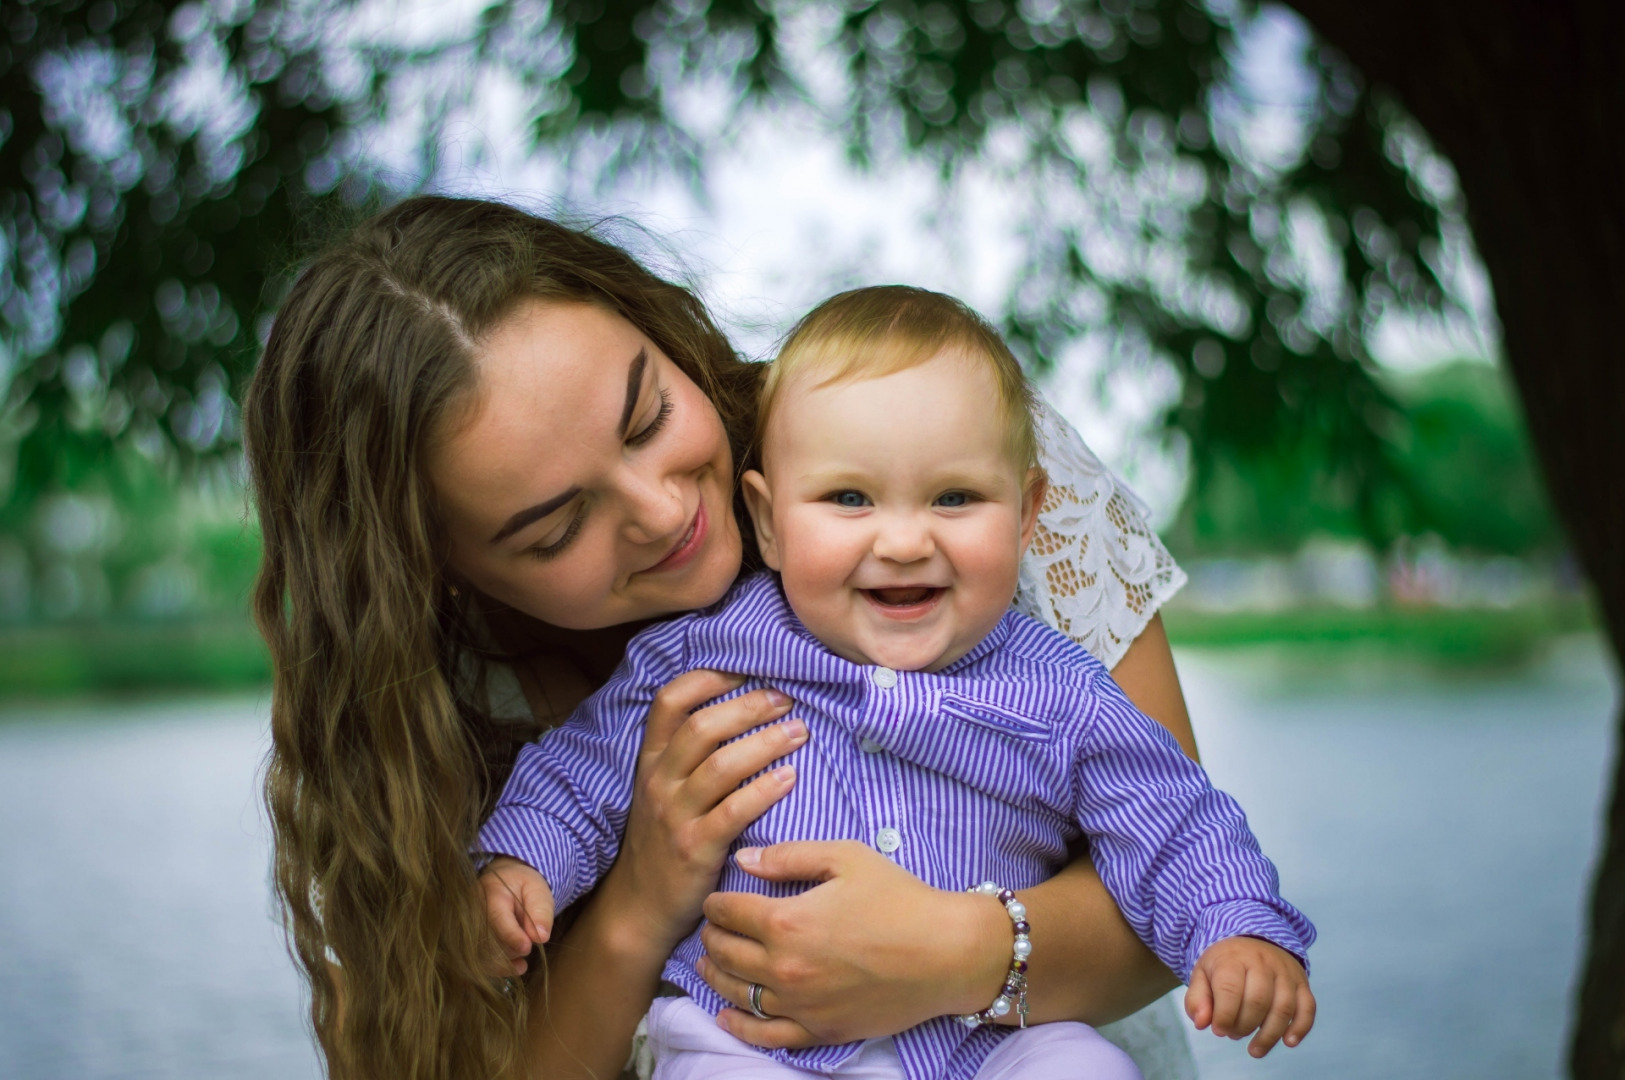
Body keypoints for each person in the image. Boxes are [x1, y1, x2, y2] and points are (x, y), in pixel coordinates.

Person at [243, 194, 1229, 1080]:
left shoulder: (940, 446)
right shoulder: (407, 735)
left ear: (658, 326)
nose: (658, 510)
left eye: (647, 416)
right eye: (554, 529)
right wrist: (635, 903)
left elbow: (1171, 880)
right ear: (440, 570)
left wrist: (939, 952)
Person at [475, 286, 1316, 1080]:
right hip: (752, 1043)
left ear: (1026, 517)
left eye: (953, 498)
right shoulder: (705, 653)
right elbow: (582, 772)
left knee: (1085, 1068)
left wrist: (1236, 927)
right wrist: (521, 864)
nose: (905, 540)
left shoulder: (1060, 688)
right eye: (849, 498)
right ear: (768, 520)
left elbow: (1171, 818)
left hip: (985, 1043)